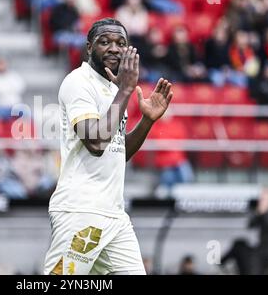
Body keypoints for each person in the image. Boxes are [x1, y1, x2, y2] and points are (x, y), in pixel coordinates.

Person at [43, 18, 173, 275]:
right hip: (81, 213)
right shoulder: (78, 82)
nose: (114, 48)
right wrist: (125, 90)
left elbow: (116, 149)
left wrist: (147, 121)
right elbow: (96, 142)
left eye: (121, 43)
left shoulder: (111, 90)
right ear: (89, 47)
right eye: (105, 42)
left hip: (115, 216)